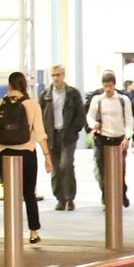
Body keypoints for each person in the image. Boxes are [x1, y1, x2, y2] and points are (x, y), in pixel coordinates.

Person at [0, 71, 50, 246]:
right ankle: (33, 232)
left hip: (5, 154)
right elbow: (40, 133)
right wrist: (47, 156)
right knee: (29, 194)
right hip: (26, 153)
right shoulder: (32, 105)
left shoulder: (0, 104)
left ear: (9, 85)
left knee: (10, 195)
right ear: (24, 85)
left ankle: (11, 231)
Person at [87, 69, 134, 211]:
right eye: (105, 86)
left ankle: (121, 192)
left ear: (114, 85)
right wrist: (93, 125)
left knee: (119, 171)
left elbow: (129, 120)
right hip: (103, 138)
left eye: (110, 86)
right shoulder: (98, 100)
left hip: (118, 139)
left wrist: (128, 137)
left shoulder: (123, 100)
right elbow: (90, 116)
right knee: (103, 171)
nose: (108, 89)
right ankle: (108, 198)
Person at [41, 64, 86, 210]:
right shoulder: (45, 95)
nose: (56, 78)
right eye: (53, 75)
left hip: (68, 136)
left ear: (64, 75)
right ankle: (60, 199)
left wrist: (74, 130)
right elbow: (41, 115)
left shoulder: (73, 93)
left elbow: (80, 114)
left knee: (66, 165)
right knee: (56, 169)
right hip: (52, 135)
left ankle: (70, 197)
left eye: (58, 75)